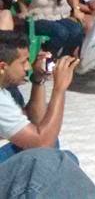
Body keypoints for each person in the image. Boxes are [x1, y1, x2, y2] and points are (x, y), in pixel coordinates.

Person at [0, 31, 83, 163]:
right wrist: (59, 89)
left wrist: (38, 79)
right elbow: (43, 144)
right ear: (3, 67)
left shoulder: (4, 90)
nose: (28, 67)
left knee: (58, 151)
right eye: (23, 62)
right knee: (60, 158)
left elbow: (36, 122)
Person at [16, 0, 83, 58]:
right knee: (61, 32)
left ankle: (65, 56)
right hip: (38, 18)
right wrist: (24, 11)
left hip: (59, 16)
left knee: (77, 30)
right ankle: (49, 55)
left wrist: (76, 9)